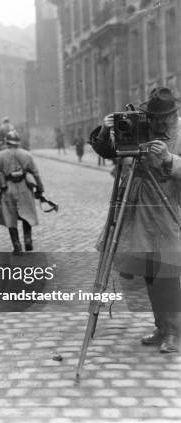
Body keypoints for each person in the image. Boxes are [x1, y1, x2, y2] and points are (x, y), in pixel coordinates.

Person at [89, 87, 181, 353]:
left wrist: (169, 159)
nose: (157, 123)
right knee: (151, 272)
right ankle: (162, 326)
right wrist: (107, 130)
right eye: (152, 117)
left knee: (169, 273)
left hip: (168, 209)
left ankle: (175, 332)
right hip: (138, 209)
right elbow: (112, 152)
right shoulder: (142, 126)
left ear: (173, 114)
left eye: (162, 118)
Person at [0, 131, 44, 254]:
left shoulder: (0, 156)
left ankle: (17, 245)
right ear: (18, 142)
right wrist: (40, 189)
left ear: (7, 142)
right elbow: (36, 174)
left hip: (8, 188)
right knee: (27, 214)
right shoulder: (27, 155)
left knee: (10, 216)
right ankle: (28, 240)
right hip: (25, 188)